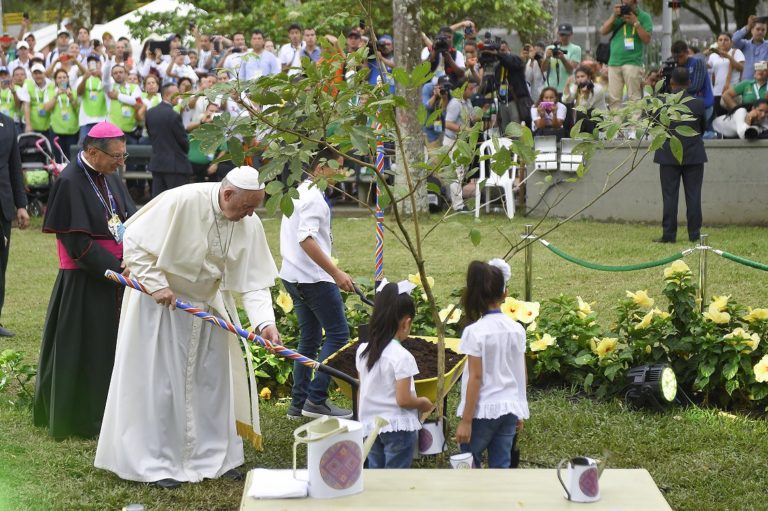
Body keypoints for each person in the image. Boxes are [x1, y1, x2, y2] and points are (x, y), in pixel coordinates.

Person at [95, 166, 280, 489]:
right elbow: (135, 241)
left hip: (207, 309)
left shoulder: (248, 222)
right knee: (161, 385)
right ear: (226, 194)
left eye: (255, 207)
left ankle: (213, 458)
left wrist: (265, 322)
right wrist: (156, 284)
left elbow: (254, 280)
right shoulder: (182, 200)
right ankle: (155, 462)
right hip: (161, 307)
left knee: (209, 385)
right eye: (246, 207)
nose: (250, 215)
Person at [33, 121, 136, 438]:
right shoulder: (70, 181)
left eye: (123, 155)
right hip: (84, 281)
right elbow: (77, 245)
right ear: (92, 151)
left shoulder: (110, 176)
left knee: (109, 347)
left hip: (117, 273)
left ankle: (108, 411)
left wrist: (133, 255)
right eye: (115, 156)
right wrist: (117, 267)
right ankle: (81, 418)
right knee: (86, 350)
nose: (120, 162)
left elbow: (128, 219)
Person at [280, 147, 354, 420]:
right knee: (338, 335)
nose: (342, 172)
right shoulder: (314, 199)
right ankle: (316, 400)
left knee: (309, 340)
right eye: (338, 166)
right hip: (312, 278)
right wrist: (335, 272)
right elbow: (306, 238)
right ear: (320, 167)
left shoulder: (299, 191)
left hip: (293, 275)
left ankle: (298, 405)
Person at [454, 259, 529, 469]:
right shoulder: (517, 330)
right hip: (508, 410)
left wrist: (466, 420)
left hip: (481, 411)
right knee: (501, 466)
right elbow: (521, 374)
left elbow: (475, 378)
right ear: (505, 293)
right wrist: (519, 410)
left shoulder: (474, 332)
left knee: (470, 463)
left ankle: (474, 501)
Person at [356, 281, 433, 468]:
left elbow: (361, 390)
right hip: (397, 426)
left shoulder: (363, 350)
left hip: (371, 426)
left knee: (377, 473)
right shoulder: (402, 356)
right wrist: (423, 403)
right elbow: (404, 400)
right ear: (406, 322)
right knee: (396, 477)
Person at [653, 68, 707, 244]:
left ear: (671, 83)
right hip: (694, 154)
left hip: (668, 154)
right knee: (694, 195)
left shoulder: (661, 102)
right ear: (689, 83)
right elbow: (702, 128)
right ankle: (694, 235)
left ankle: (669, 235)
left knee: (669, 196)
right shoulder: (698, 103)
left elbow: (653, 123)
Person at [0, 110, 29, 337]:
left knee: (1, 265)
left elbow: (14, 167)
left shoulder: (8, 123)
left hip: (3, 205)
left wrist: (21, 205)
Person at [600, 0, 653, 110]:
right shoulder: (618, 15)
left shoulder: (644, 17)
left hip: (632, 62)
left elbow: (647, 39)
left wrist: (635, 22)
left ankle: (635, 127)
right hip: (614, 62)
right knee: (614, 99)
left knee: (634, 98)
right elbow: (603, 31)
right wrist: (614, 15)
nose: (623, 1)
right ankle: (616, 126)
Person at [145, 83, 191, 197]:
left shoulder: (150, 113)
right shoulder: (173, 115)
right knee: (176, 201)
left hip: (157, 163)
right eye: (176, 95)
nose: (179, 97)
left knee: (158, 201)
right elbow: (183, 141)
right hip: (175, 165)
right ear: (166, 95)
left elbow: (151, 136)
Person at [443, 77, 479, 212]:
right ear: (463, 89)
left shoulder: (467, 102)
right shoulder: (455, 103)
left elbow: (470, 117)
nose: (472, 91)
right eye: (470, 88)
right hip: (452, 142)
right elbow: (447, 123)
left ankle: (457, 202)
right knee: (456, 173)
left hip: (461, 142)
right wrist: (466, 129)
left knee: (461, 173)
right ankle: (458, 206)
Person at [671, 41, 714, 122]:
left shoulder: (697, 62)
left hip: (704, 105)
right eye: (675, 57)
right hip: (688, 106)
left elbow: (696, 86)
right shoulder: (676, 65)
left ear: (687, 52)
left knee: (700, 132)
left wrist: (675, 92)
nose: (678, 60)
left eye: (680, 57)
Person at [705, 33, 745, 117]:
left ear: (731, 42)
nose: (723, 42)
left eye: (726, 40)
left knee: (735, 116)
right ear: (717, 42)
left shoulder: (736, 52)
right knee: (719, 119)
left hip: (732, 92)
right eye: (720, 40)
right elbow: (705, 67)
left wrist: (729, 57)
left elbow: (741, 68)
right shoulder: (713, 56)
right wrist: (705, 54)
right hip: (717, 92)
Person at [44, 68, 79, 162]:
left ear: (68, 79)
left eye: (64, 77)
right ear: (55, 80)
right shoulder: (50, 91)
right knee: (58, 158)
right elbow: (46, 108)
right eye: (59, 77)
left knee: (71, 158)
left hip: (72, 130)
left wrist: (71, 98)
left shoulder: (74, 91)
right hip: (56, 130)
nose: (62, 79)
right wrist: (56, 96)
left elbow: (78, 109)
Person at [542, 23, 582, 96]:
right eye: (561, 34)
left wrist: (562, 58)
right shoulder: (549, 48)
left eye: (566, 34)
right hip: (549, 89)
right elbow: (543, 69)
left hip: (566, 89)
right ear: (558, 34)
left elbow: (571, 70)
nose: (563, 37)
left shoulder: (576, 49)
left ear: (571, 34)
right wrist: (547, 58)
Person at [76, 55, 107, 143]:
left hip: (102, 119)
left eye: (95, 62)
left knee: (102, 148)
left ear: (100, 64)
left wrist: (101, 77)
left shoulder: (106, 79)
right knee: (84, 147)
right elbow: (79, 93)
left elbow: (109, 93)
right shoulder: (82, 78)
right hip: (86, 120)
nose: (93, 65)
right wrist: (84, 79)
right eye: (90, 63)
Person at [732, 15, 768, 81]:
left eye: (763, 30)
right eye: (758, 29)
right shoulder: (745, 44)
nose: (760, 32)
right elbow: (733, 40)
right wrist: (748, 26)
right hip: (746, 85)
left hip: (764, 84)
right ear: (751, 30)